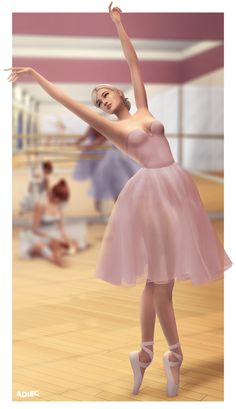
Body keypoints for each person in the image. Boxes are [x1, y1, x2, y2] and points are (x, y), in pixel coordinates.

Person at [7, 3, 232, 398]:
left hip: (177, 189)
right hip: (150, 195)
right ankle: (174, 356)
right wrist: (36, 74)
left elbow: (134, 62)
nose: (102, 100)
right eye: (98, 100)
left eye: (106, 93)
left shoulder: (143, 108)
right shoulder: (111, 128)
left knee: (159, 283)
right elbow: (67, 101)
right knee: (160, 282)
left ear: (120, 93)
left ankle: (144, 354)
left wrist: (118, 24)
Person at [19, 179, 88, 266]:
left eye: (61, 199)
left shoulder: (59, 206)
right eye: (57, 198)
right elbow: (35, 229)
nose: (58, 201)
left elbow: (61, 227)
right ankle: (53, 257)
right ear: (53, 194)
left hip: (53, 233)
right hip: (39, 234)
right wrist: (51, 237)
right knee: (42, 246)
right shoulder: (41, 205)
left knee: (75, 243)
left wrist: (65, 238)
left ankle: (59, 253)